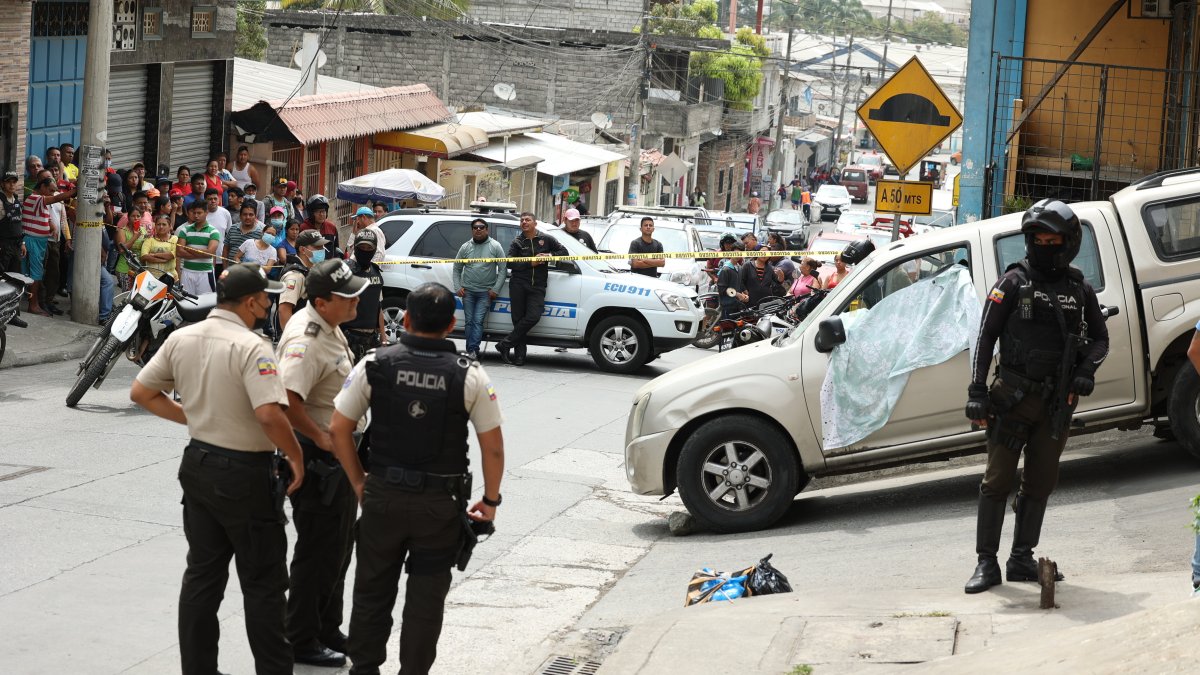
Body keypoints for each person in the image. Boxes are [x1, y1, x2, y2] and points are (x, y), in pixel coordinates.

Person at [129, 263, 304, 675]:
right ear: (249, 302)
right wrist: (295, 455)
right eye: (265, 298)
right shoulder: (252, 346)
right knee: (263, 585)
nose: (268, 304)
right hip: (245, 474)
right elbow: (269, 415)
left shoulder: (183, 337)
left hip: (199, 464)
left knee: (202, 578)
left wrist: (193, 418)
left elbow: (142, 392)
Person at [327, 281, 505, 675]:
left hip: (382, 498)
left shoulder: (374, 363)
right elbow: (492, 446)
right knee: (426, 602)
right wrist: (490, 502)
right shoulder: (469, 375)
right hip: (439, 508)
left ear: (405, 319)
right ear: (453, 324)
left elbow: (339, 428)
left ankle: (365, 668)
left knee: (371, 591)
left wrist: (359, 483)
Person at [963, 199, 1109, 594]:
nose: (1044, 245)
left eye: (1052, 239)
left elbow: (1101, 340)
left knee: (1041, 482)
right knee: (996, 482)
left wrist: (1085, 372)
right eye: (1037, 239)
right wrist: (977, 390)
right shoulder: (1012, 282)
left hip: (1055, 406)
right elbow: (984, 336)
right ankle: (986, 563)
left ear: (1068, 242)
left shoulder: (1079, 287)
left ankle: (1021, 558)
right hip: (1010, 399)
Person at [275, 259, 368, 668]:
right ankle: (302, 638)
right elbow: (287, 398)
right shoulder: (307, 337)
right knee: (318, 551)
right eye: (348, 296)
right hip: (318, 459)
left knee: (339, 547)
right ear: (322, 301)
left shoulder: (329, 326)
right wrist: (319, 438)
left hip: (340, 454)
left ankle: (328, 626)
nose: (356, 301)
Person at [494, 212, 567, 366]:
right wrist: (530, 263)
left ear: (535, 223)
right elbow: (510, 262)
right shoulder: (517, 241)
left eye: (528, 220)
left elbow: (564, 252)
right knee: (518, 320)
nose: (524, 222)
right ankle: (520, 357)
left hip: (537, 285)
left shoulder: (546, 239)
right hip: (518, 285)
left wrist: (549, 255)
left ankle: (504, 344)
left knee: (534, 316)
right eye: (522, 220)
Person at [20, 174, 75, 316]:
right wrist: (75, 191)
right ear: (42, 187)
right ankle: (33, 305)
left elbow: (49, 221)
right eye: (51, 190)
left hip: (40, 242)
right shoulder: (35, 198)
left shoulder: (41, 202)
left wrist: (52, 227)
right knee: (35, 275)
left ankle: (36, 303)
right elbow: (57, 198)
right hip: (33, 241)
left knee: (36, 275)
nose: (53, 193)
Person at [452, 218, 506, 359]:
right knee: (469, 321)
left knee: (477, 321)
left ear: (486, 230)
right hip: (468, 292)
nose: (478, 229)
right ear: (472, 230)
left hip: (485, 293)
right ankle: (472, 350)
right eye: (475, 227)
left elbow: (502, 269)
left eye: (481, 227)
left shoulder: (495, 246)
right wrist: (458, 287)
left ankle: (472, 350)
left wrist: (495, 289)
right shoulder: (465, 247)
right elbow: (457, 268)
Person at [342, 231, 388, 362]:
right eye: (362, 248)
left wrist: (383, 338)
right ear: (356, 248)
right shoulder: (345, 271)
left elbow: (377, 306)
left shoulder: (376, 273)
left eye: (369, 248)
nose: (365, 251)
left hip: (371, 338)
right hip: (349, 336)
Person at [278, 230, 330, 331]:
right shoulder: (294, 276)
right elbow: (284, 310)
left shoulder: (311, 270)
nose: (321, 250)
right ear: (302, 250)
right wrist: (292, 339)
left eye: (322, 247)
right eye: (317, 247)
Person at [174, 200, 221, 295]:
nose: (196, 215)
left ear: (206, 213)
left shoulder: (214, 231)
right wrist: (201, 253)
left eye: (199, 213)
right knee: (186, 301)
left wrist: (188, 248)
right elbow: (179, 252)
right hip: (187, 272)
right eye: (194, 213)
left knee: (206, 303)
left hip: (205, 272)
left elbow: (209, 253)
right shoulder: (184, 230)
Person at [139, 214, 179, 280]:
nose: (161, 227)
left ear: (170, 226)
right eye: (158, 224)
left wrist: (153, 255)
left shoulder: (174, 239)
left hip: (171, 278)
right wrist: (163, 259)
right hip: (151, 278)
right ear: (155, 226)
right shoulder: (149, 239)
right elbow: (144, 256)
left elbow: (171, 255)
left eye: (164, 224)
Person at [225, 201, 263, 266]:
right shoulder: (233, 228)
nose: (247, 217)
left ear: (255, 216)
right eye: (245, 214)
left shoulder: (260, 232)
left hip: (250, 272)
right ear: (240, 215)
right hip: (231, 271)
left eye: (251, 215)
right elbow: (225, 249)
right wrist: (225, 269)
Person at [716, 244, 748, 320]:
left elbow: (740, 283)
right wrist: (737, 294)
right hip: (727, 305)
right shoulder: (725, 269)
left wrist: (745, 293)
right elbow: (722, 289)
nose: (737, 256)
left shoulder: (739, 267)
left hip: (737, 304)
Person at [1, 171, 23, 272]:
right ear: (2, 184)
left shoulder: (17, 200)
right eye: (8, 182)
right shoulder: (1, 202)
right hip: (4, 246)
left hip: (17, 246)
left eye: (14, 182)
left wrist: (22, 243)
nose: (12, 184)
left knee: (15, 276)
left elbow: (19, 223)